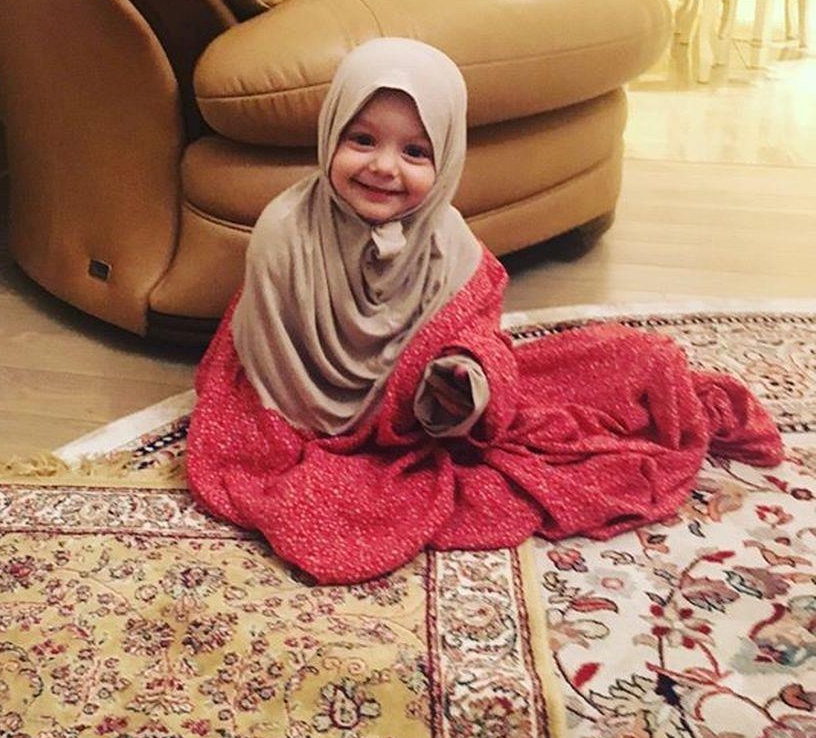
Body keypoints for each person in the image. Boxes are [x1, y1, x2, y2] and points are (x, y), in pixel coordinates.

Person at [186, 37, 784, 585]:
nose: (384, 167)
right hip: (306, 408)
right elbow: (275, 364)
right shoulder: (284, 232)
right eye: (361, 140)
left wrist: (462, 382)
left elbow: (475, 332)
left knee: (633, 362)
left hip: (418, 408)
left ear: (447, 159)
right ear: (329, 134)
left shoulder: (448, 240)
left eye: (415, 151)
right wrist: (367, 428)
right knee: (313, 512)